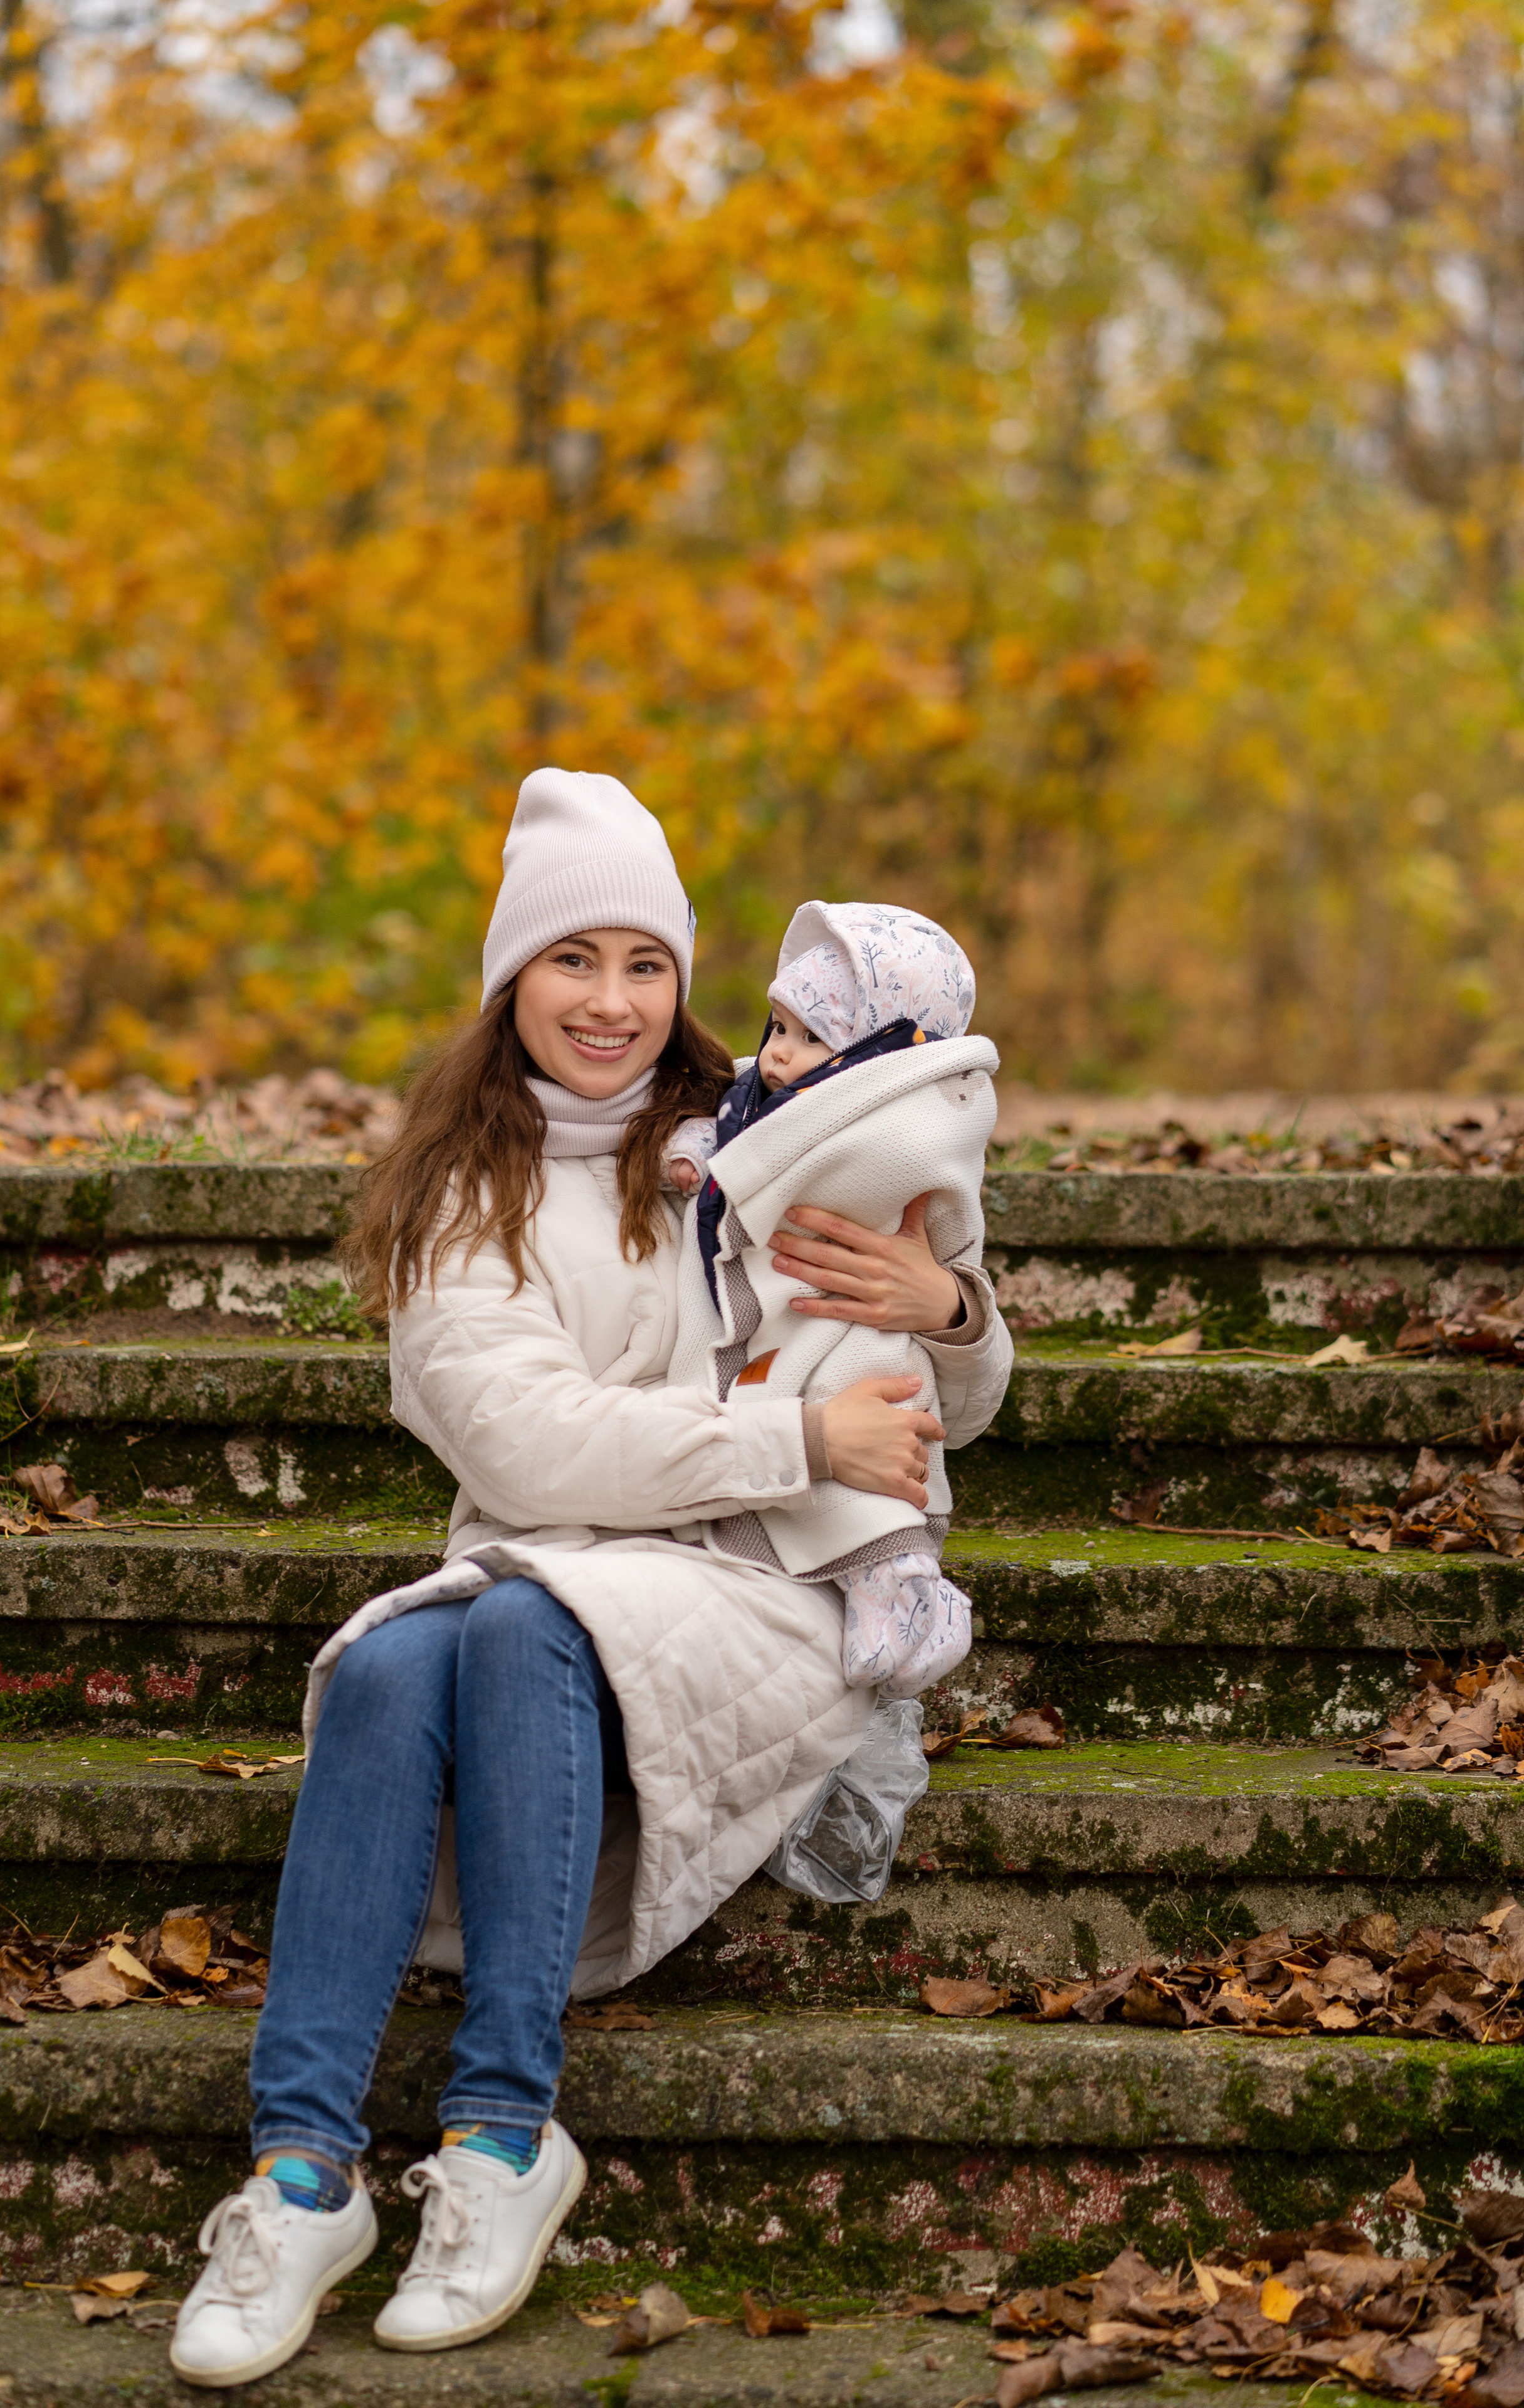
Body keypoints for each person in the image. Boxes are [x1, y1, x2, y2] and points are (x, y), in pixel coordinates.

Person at [169, 769, 1012, 2390]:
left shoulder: (771, 1128)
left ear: (684, 979)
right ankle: (295, 2179)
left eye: (648, 963)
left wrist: (951, 1304)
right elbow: (535, 1447)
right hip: (553, 1580)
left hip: (762, 1592)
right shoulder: (451, 1200)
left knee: (515, 1612)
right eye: (575, 961)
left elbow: (925, 1409)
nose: (614, 1002)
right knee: (404, 1656)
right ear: (511, 980)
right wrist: (792, 1440)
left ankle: (497, 2131)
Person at [661, 900, 998, 1698]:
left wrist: (951, 1306)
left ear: (885, 1051)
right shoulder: (751, 1095)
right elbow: (715, 1133)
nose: (777, 1056)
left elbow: (972, 1398)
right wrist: (686, 1155)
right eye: (776, 1028)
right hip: (742, 1394)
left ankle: (903, 1587)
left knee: (872, 1404)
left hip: (854, 1342)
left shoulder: (912, 1127)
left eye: (809, 1038)